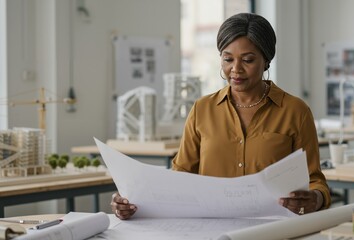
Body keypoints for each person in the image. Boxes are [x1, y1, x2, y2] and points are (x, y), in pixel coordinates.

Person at [111, 12, 331, 220]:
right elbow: (179, 177)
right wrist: (132, 204)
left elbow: (315, 182)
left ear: (266, 60)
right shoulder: (202, 109)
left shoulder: (295, 111)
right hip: (210, 229)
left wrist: (315, 199)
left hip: (274, 228)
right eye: (228, 59)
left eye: (247, 60)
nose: (236, 69)